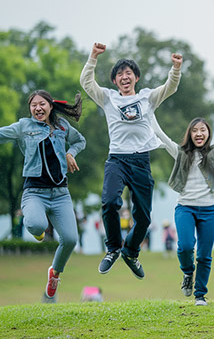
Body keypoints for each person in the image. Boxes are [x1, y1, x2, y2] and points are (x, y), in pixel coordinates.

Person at [80, 42, 182, 279]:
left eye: (128, 73)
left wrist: (175, 68)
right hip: (117, 159)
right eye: (119, 75)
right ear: (115, 81)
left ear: (136, 77)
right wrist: (93, 56)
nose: (124, 77)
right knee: (109, 202)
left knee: (144, 216)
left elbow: (170, 87)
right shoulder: (108, 98)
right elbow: (87, 83)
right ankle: (113, 248)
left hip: (141, 161)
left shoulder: (147, 97)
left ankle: (131, 252)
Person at [152, 99, 214, 306]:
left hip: (209, 210)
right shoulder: (180, 153)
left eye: (203, 130)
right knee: (184, 246)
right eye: (195, 130)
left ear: (208, 134)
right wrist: (150, 110)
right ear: (190, 134)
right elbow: (159, 133)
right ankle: (187, 273)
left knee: (204, 255)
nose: (199, 133)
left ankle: (200, 294)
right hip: (185, 207)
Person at [0, 90, 86, 299]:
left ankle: (55, 273)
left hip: (60, 194)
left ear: (50, 106)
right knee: (37, 225)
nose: (37, 108)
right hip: (34, 192)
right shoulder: (24, 126)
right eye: (33, 105)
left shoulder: (63, 126)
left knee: (71, 239)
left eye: (41, 104)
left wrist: (70, 153)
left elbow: (79, 141)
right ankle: (38, 232)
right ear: (30, 109)